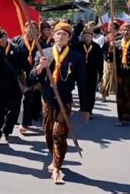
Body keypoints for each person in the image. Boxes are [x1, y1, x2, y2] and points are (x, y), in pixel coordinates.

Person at [30, 22, 90, 184]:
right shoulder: (44, 53)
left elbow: (83, 84)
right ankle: (54, 156)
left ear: (69, 37)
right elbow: (31, 77)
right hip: (47, 100)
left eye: (64, 34)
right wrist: (40, 68)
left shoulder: (76, 57)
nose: (60, 36)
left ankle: (57, 166)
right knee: (48, 132)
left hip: (64, 101)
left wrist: (85, 108)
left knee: (59, 134)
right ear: (53, 36)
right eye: (57, 34)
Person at [13, 22, 46, 133]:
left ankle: (24, 123)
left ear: (37, 31)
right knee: (16, 99)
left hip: (34, 74)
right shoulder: (17, 41)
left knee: (29, 99)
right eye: (29, 28)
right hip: (19, 75)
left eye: (35, 28)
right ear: (24, 29)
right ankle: (13, 120)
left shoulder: (41, 44)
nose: (32, 30)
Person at [73, 27, 104, 118]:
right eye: (85, 35)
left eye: (89, 36)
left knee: (91, 92)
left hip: (92, 72)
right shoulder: (78, 46)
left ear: (92, 36)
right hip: (80, 72)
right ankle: (83, 108)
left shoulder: (96, 47)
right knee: (82, 91)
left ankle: (89, 110)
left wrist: (101, 73)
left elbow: (100, 61)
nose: (87, 37)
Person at [0, 30, 22, 141]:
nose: (1, 40)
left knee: (13, 108)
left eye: (3, 37)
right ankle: (0, 125)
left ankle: (7, 130)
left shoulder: (15, 48)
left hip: (13, 82)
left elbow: (24, 63)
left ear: (7, 37)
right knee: (0, 108)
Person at [101, 21, 120, 101]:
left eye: (111, 26)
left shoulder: (119, 37)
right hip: (107, 60)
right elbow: (103, 49)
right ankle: (104, 94)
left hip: (117, 61)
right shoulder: (106, 36)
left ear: (115, 27)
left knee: (116, 78)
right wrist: (108, 44)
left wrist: (114, 45)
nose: (109, 27)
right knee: (106, 77)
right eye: (108, 25)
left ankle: (118, 95)